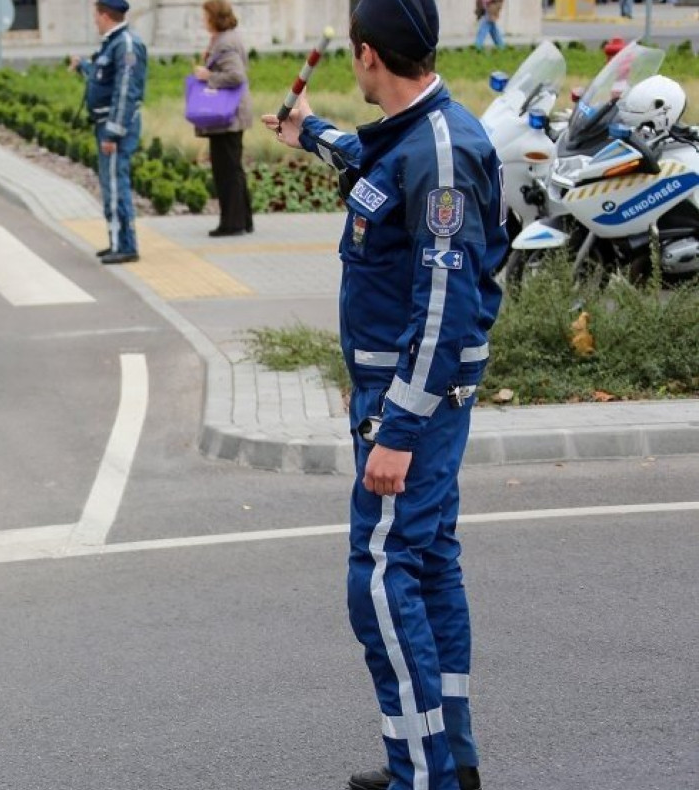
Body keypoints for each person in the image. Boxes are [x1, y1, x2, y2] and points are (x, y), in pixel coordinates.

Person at [260, 0, 505, 788]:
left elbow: (446, 303)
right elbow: (373, 166)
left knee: (380, 578)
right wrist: (312, 132)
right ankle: (449, 760)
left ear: (366, 55)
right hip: (397, 394)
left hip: (412, 407)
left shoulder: (438, 154)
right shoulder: (413, 135)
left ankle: (422, 774)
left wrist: (397, 426)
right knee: (428, 564)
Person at [69, 0, 146, 265]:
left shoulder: (125, 45)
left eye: (96, 15)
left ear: (105, 15)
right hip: (106, 124)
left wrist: (113, 134)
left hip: (116, 128)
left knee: (116, 184)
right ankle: (115, 241)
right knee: (109, 184)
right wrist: (82, 67)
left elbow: (126, 91)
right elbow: (104, 78)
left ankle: (125, 245)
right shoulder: (113, 43)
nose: (94, 21)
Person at [192, 0, 253, 237]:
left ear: (214, 17)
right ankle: (242, 220)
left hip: (228, 115)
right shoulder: (227, 37)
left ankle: (232, 223)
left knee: (226, 170)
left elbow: (236, 75)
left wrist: (209, 75)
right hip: (232, 114)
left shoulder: (225, 41)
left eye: (205, 15)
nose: (202, 20)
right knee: (233, 168)